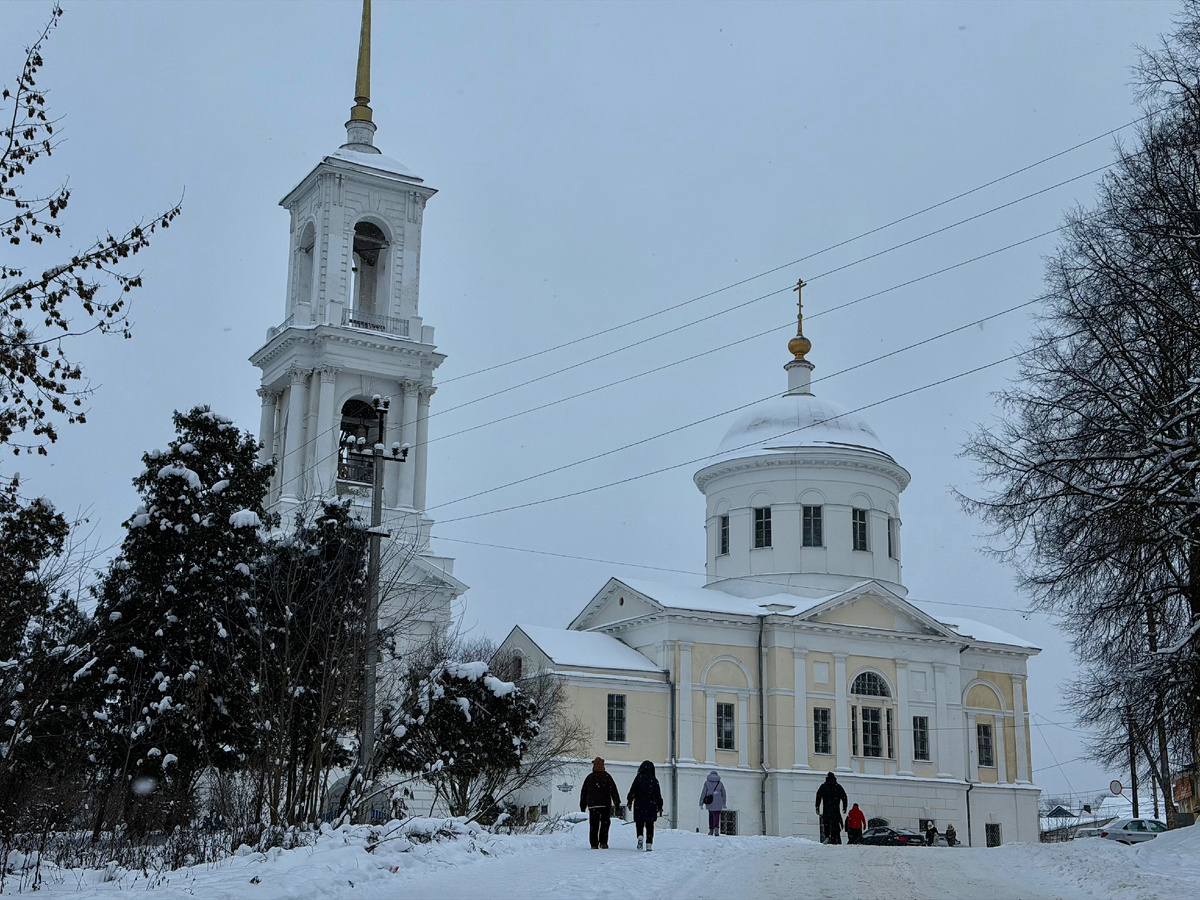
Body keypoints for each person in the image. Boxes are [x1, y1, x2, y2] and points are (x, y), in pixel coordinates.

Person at [579, 757, 621, 849]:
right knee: (605, 824)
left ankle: (594, 844)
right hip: (605, 804)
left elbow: (584, 792)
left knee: (594, 825)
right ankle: (603, 842)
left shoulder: (589, 777)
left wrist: (583, 805)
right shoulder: (607, 777)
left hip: (593, 805)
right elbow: (614, 791)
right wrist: (617, 803)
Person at [626, 760, 664, 851]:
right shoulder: (654, 780)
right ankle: (649, 844)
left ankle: (640, 836)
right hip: (651, 805)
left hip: (639, 804)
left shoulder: (638, 778)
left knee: (639, 822)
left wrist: (630, 801)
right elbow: (658, 794)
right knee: (650, 825)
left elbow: (633, 790)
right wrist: (660, 806)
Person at [814, 772, 848, 844]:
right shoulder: (838, 787)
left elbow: (818, 797)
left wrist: (817, 807)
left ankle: (828, 837)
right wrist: (845, 806)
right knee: (835, 825)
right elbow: (844, 797)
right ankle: (836, 838)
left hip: (826, 810)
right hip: (836, 811)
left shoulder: (823, 786)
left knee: (827, 824)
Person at [699, 770, 727, 836]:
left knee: (711, 816)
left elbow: (703, 793)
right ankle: (716, 830)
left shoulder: (706, 783)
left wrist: (701, 803)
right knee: (717, 816)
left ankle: (711, 831)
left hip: (710, 802)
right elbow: (724, 793)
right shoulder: (720, 783)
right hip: (718, 802)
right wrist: (724, 803)